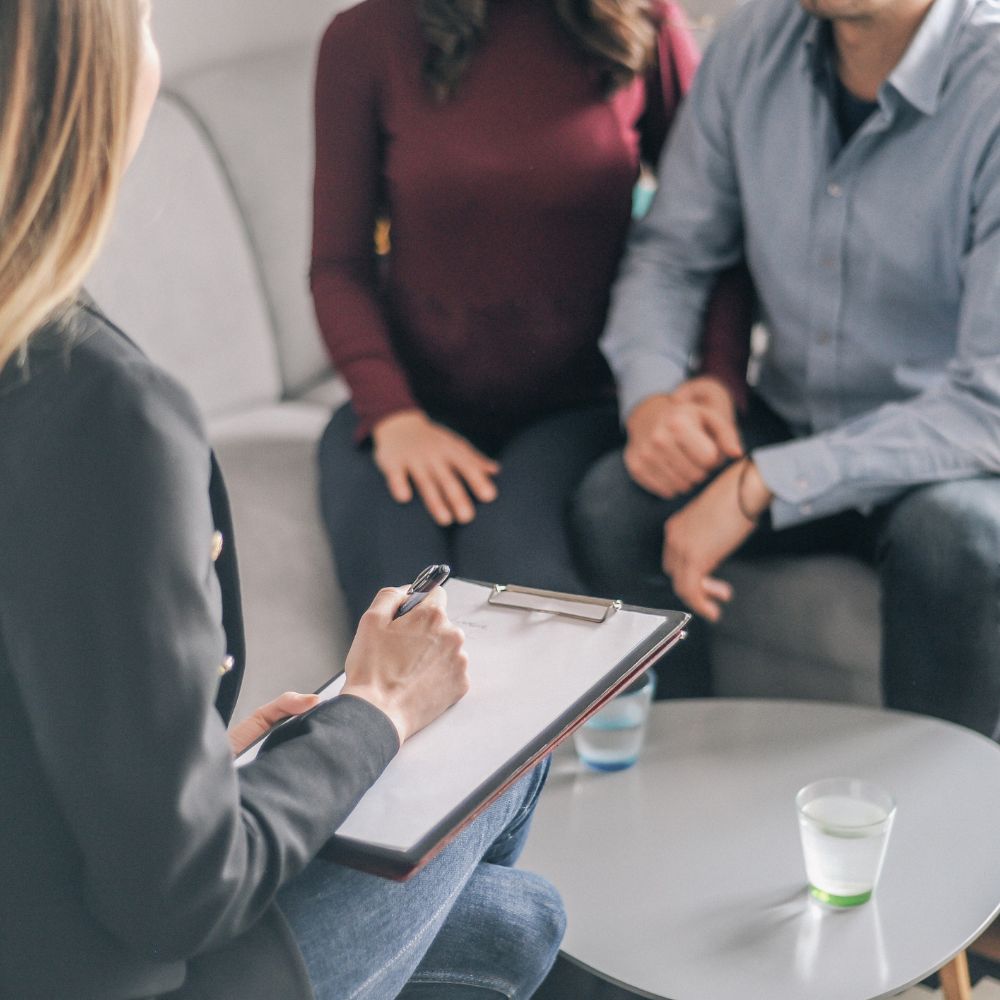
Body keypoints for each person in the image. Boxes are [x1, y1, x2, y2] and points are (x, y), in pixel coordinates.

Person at [0, 3, 565, 998]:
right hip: (118, 967)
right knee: (510, 758)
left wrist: (191, 762)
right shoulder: (101, 411)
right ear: (88, 80)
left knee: (515, 922)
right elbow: (178, 896)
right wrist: (378, 708)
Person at [572, 0, 1000, 737]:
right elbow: (673, 256)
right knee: (614, 507)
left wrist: (764, 483)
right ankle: (690, 773)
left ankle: (948, 805)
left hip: (944, 452)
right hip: (794, 413)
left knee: (953, 538)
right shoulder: (751, 44)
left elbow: (988, 401)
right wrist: (653, 399)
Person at [311, 0, 753, 663]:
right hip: (412, 405)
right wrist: (393, 414)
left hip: (582, 406)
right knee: (397, 630)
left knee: (520, 596)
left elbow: (715, 228)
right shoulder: (364, 37)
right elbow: (338, 266)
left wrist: (718, 378)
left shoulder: (643, 21)